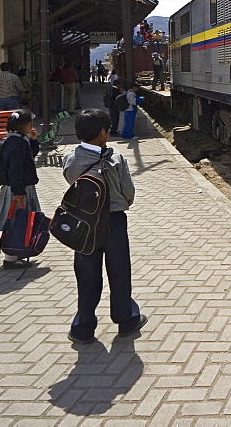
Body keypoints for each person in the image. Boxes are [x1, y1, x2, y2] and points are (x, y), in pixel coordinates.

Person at [63, 108, 146, 344]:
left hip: (83, 223)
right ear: (102, 133)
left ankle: (83, 326)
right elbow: (128, 190)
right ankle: (126, 318)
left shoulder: (70, 158)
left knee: (86, 273)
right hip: (113, 221)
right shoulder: (115, 157)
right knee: (119, 271)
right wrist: (122, 204)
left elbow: (69, 179)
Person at [0, 110, 41, 269]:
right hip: (18, 189)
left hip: (19, 187)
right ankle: (10, 257)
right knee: (16, 220)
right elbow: (15, 169)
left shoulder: (16, 140)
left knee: (22, 219)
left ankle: (18, 250)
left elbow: (30, 156)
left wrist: (34, 141)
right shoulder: (16, 144)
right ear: (26, 125)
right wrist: (18, 192)